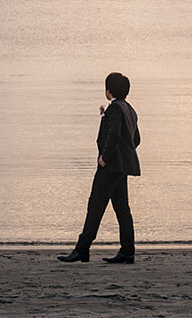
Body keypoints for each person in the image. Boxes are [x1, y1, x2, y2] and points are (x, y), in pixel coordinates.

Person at [58, 72, 141, 264]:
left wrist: (105, 157)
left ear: (108, 90)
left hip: (110, 167)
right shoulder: (130, 109)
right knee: (122, 209)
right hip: (121, 168)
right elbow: (135, 139)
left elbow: (113, 135)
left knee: (95, 206)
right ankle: (127, 251)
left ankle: (82, 249)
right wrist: (122, 155)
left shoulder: (114, 110)